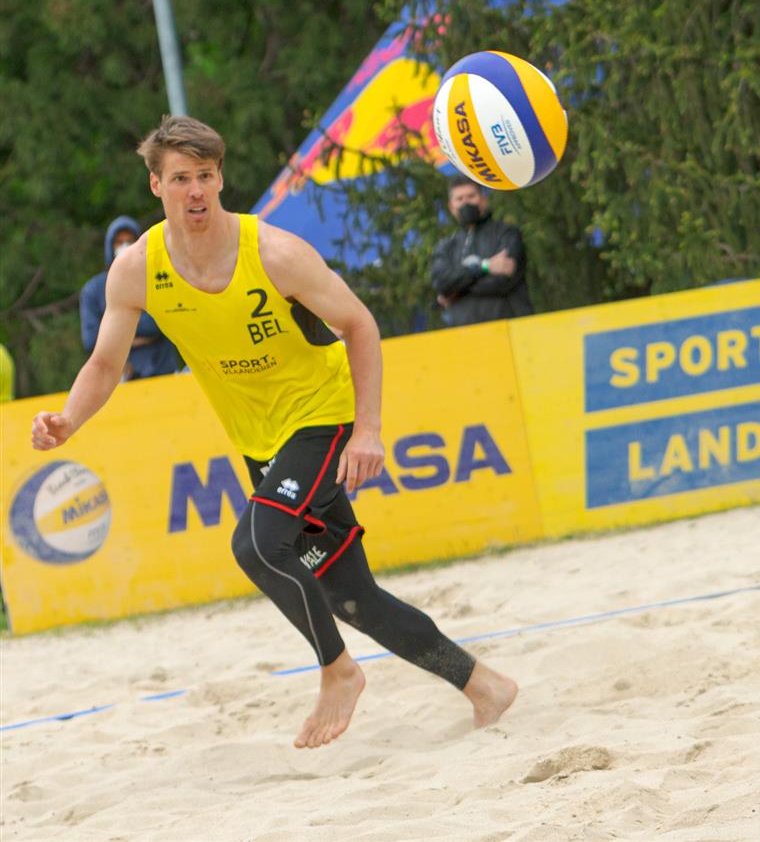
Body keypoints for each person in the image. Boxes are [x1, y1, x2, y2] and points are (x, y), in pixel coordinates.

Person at [32, 116, 517, 748]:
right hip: (261, 441)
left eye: (205, 175)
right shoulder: (137, 270)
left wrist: (368, 431)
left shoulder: (273, 253)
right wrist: (69, 419)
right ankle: (483, 686)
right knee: (353, 599)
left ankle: (338, 671)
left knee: (256, 546)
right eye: (180, 178)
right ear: (156, 185)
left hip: (323, 415)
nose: (195, 190)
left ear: (220, 178)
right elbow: (104, 364)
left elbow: (360, 325)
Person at [81, 216, 181, 380]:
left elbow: (159, 325)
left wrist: (114, 336)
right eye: (119, 242)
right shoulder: (93, 289)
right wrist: (141, 337)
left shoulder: (158, 278)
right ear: (109, 246)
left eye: (129, 241)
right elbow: (91, 340)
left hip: (163, 373)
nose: (124, 246)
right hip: (119, 380)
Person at [430, 175, 534, 326]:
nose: (466, 203)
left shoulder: (506, 234)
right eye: (459, 199)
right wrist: (485, 266)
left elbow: (503, 281)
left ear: (484, 200)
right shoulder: (446, 246)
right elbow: (441, 283)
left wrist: (456, 291)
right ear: (451, 207)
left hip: (510, 330)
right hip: (465, 335)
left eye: (471, 196)